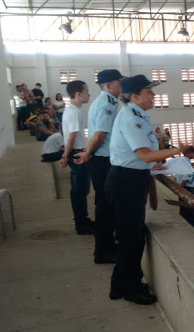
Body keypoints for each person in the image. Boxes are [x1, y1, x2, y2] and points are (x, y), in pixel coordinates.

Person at [105, 74, 193, 305]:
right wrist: (177, 151)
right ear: (135, 96)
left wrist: (156, 162)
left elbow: (143, 156)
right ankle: (132, 289)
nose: (154, 95)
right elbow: (144, 154)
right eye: (149, 92)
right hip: (126, 182)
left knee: (129, 235)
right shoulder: (131, 118)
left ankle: (118, 286)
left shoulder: (137, 114)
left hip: (131, 177)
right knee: (131, 238)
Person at [74, 69, 125, 264]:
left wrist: (89, 153)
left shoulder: (104, 102)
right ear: (108, 86)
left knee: (108, 206)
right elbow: (99, 135)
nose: (121, 86)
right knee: (105, 208)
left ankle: (107, 247)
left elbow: (95, 135)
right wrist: (88, 154)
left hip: (102, 159)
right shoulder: (107, 104)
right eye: (118, 82)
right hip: (103, 161)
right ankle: (103, 251)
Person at [60, 80, 93, 235]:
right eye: (86, 91)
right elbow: (72, 137)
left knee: (79, 190)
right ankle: (81, 223)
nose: (89, 94)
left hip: (77, 151)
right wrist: (65, 156)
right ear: (78, 94)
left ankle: (82, 220)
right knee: (79, 190)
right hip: (76, 153)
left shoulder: (71, 110)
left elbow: (77, 135)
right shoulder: (74, 112)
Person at [175, 147, 194, 228]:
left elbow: (175, 176)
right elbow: (185, 179)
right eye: (193, 153)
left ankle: (183, 226)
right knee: (190, 210)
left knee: (183, 208)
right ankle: (191, 227)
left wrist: (177, 188)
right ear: (189, 153)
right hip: (187, 189)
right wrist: (180, 188)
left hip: (180, 187)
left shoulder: (180, 161)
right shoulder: (187, 164)